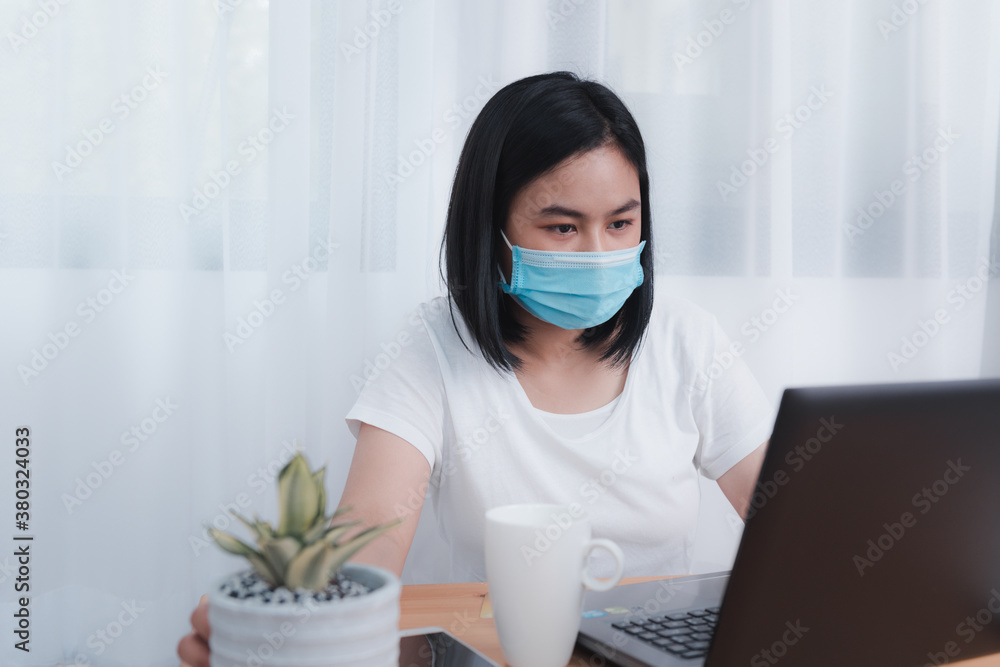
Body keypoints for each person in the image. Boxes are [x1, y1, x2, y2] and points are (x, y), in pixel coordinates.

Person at [177, 71, 771, 665]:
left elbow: (788, 517)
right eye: (563, 227)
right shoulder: (433, 346)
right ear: (491, 229)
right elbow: (369, 537)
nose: (598, 253)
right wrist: (302, 638)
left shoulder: (686, 339)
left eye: (620, 223)